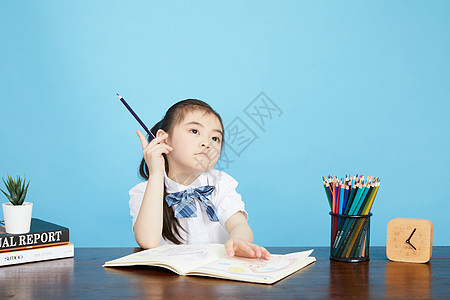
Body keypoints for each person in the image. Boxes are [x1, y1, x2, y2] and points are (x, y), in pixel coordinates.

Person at [129, 99, 270, 260]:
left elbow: (239, 224)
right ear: (164, 139)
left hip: (217, 278)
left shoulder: (220, 183)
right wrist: (155, 173)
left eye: (215, 138)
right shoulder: (144, 191)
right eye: (195, 131)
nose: (207, 143)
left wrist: (239, 239)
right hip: (170, 282)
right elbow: (148, 241)